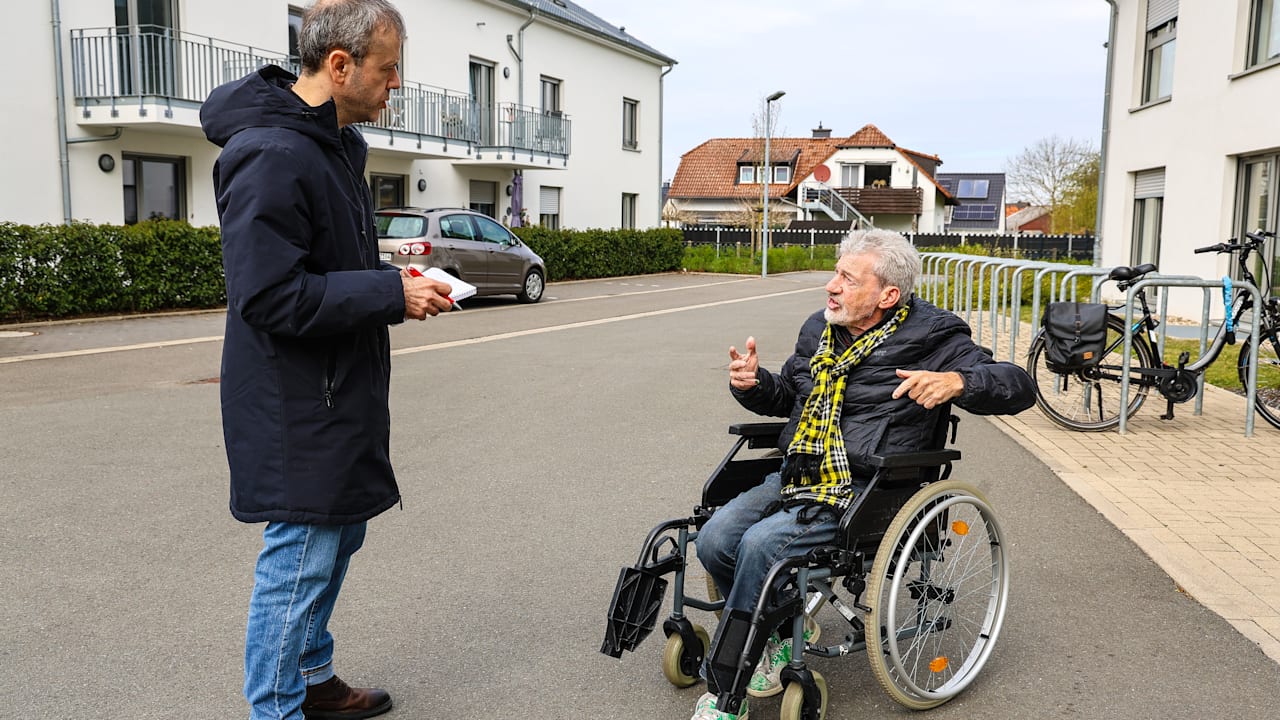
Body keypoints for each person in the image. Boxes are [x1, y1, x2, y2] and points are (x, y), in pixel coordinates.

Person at [200, 1, 453, 718]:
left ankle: (311, 680)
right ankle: (276, 709)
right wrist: (389, 293)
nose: (397, 82)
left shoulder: (339, 143)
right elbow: (270, 296)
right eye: (389, 67)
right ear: (338, 66)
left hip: (337, 391)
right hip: (296, 402)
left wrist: (393, 274)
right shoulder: (268, 154)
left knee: (340, 535)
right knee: (300, 560)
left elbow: (322, 260)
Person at [689, 229, 1036, 720]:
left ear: (887, 295)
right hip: (801, 472)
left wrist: (958, 381)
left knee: (760, 545)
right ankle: (784, 623)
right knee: (715, 538)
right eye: (836, 273)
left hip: (868, 488)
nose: (831, 285)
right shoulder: (820, 329)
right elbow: (791, 396)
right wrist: (754, 383)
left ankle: (728, 691)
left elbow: (1018, 386)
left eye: (847, 278)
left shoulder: (935, 337)